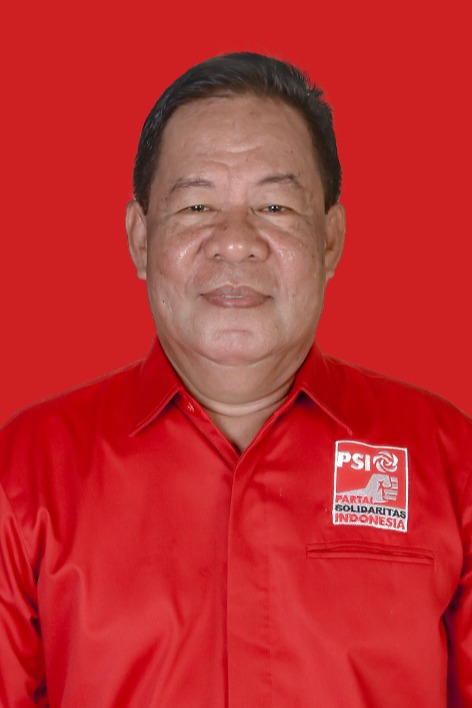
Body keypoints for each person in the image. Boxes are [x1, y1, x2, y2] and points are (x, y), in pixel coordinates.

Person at [0, 52, 470, 707]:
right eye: (197, 206)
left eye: (275, 205)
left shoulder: (449, 460)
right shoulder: (27, 473)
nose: (235, 241)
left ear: (330, 239)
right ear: (141, 239)